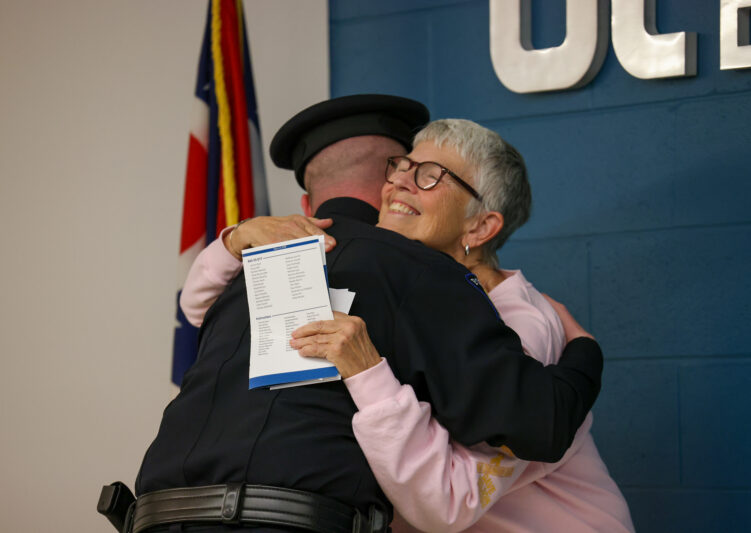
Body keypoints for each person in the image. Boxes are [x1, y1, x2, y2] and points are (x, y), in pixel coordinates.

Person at [130, 95, 602, 533]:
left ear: (481, 225)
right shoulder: (371, 273)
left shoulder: (523, 322)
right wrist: (237, 240)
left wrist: (585, 351)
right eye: (400, 167)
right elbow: (201, 307)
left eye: (429, 174)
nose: (397, 181)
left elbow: (448, 499)